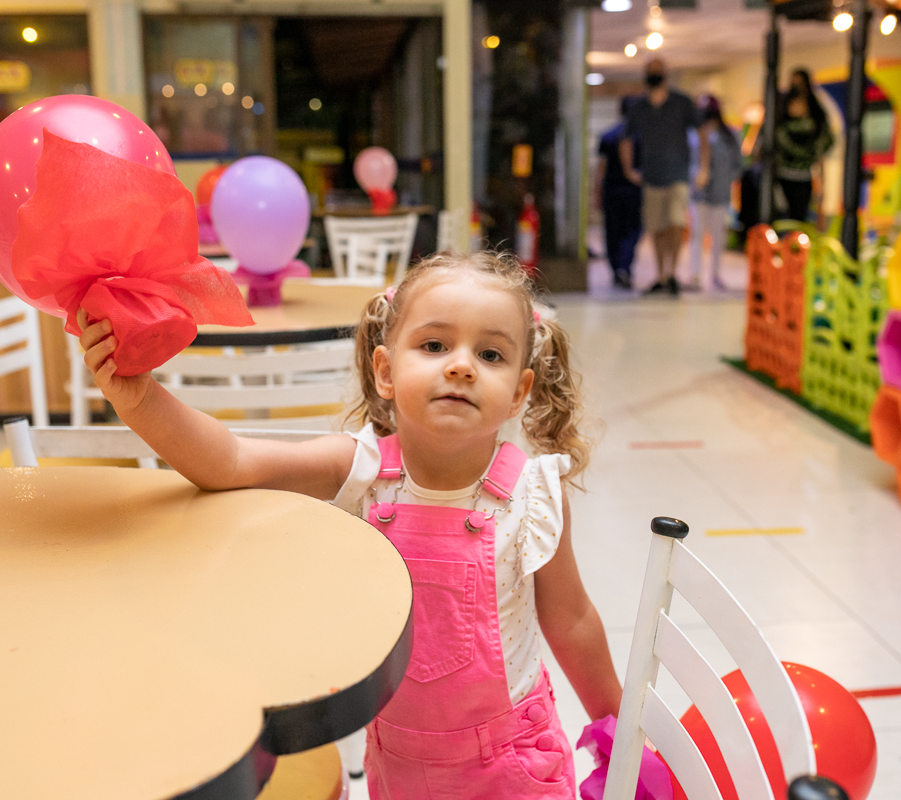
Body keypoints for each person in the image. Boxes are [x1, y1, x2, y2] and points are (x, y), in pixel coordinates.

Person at [77, 252, 622, 800]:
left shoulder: (534, 494)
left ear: (518, 394)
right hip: (397, 766)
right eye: (434, 346)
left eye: (490, 354)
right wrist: (141, 398)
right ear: (385, 371)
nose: (461, 365)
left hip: (511, 769)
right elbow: (232, 462)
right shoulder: (362, 472)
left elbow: (572, 621)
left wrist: (616, 732)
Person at [620, 57, 706, 296]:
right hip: (652, 176)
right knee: (656, 228)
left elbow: (702, 134)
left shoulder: (682, 102)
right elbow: (625, 139)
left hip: (678, 174)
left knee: (676, 224)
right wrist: (630, 170)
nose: (654, 74)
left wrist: (703, 168)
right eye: (650, 71)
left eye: (658, 70)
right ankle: (661, 275)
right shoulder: (639, 108)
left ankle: (673, 273)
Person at [689, 95, 740, 291]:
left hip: (719, 192)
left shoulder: (729, 136)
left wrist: (727, 180)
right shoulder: (694, 134)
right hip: (699, 192)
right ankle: (695, 274)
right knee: (697, 233)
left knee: (718, 235)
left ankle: (715, 274)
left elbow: (737, 164)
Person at [595, 97, 643, 290]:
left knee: (612, 231)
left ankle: (617, 268)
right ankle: (625, 266)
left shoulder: (608, 136)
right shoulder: (642, 137)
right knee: (632, 230)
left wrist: (597, 191)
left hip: (612, 190)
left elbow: (601, 168)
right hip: (634, 191)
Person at [774, 68, 834, 223]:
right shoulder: (780, 115)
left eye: (800, 84)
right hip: (782, 175)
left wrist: (821, 189)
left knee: (798, 219)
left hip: (804, 177)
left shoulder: (816, 116)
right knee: (781, 218)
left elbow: (823, 148)